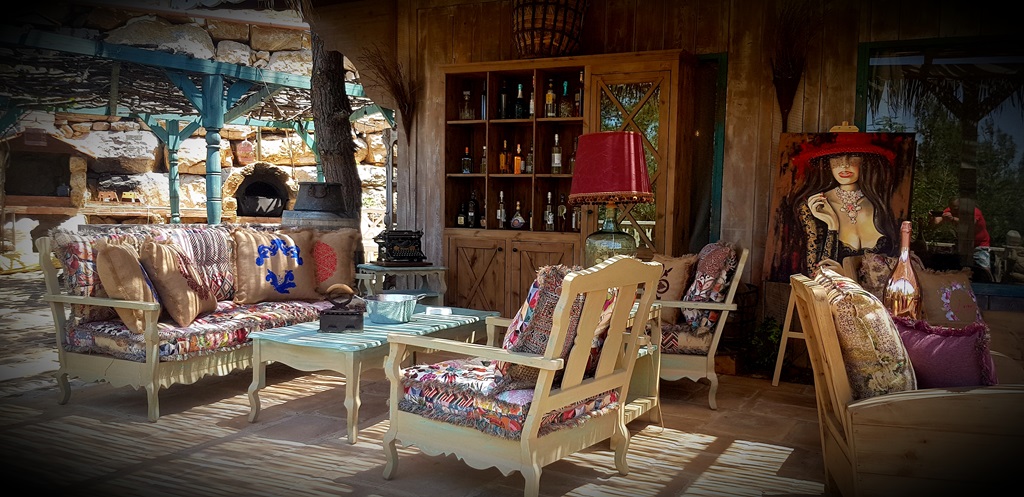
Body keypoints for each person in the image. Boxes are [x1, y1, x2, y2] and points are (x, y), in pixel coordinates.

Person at [791, 134, 900, 275]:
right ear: (827, 162)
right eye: (836, 157)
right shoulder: (813, 205)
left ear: (864, 160)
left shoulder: (881, 204)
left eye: (853, 155)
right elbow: (816, 274)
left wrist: (847, 274)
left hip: (878, 295)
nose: (844, 163)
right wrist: (832, 226)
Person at [932, 197, 991, 271]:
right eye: (952, 209)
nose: (954, 211)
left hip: (979, 246)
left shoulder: (974, 211)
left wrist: (953, 219)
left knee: (984, 269)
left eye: (956, 209)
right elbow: (937, 222)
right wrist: (933, 218)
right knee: (957, 269)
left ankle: (989, 281)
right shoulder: (951, 211)